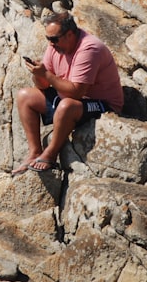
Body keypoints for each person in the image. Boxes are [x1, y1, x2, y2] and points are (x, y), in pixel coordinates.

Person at [13, 11, 124, 174]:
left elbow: (77, 92)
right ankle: (35, 151)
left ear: (70, 34)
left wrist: (46, 75)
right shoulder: (56, 47)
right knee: (25, 96)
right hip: (71, 98)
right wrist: (39, 74)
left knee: (66, 106)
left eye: (54, 39)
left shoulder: (89, 49)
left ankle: (50, 154)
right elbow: (43, 85)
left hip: (102, 105)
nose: (50, 44)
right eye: (48, 39)